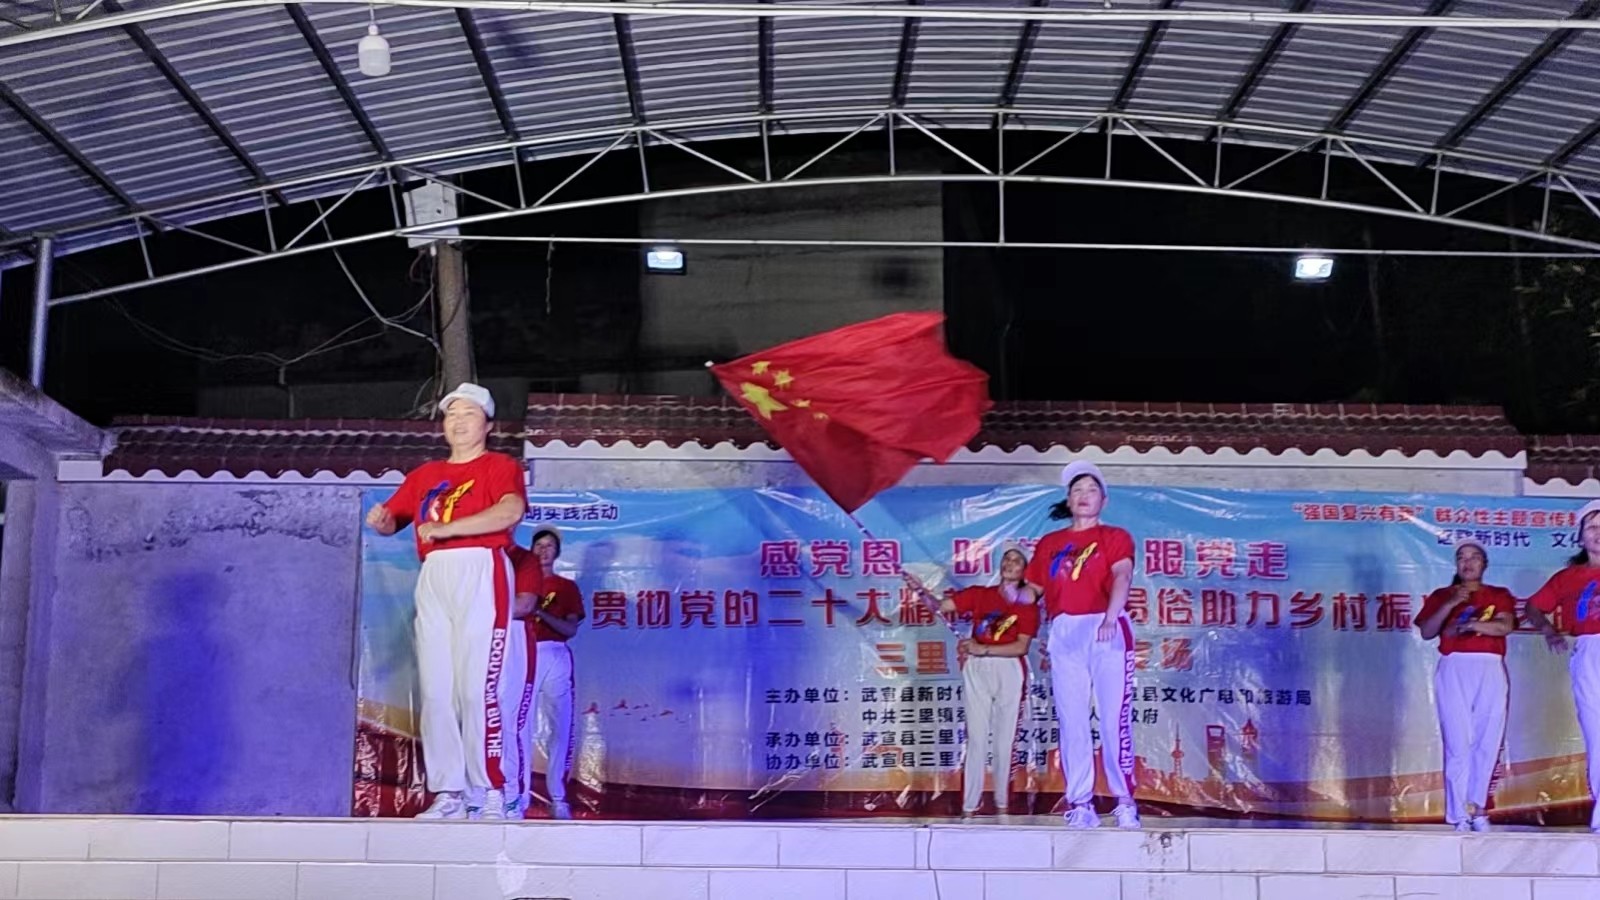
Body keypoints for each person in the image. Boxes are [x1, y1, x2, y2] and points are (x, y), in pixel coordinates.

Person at [364, 383, 527, 820]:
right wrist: (381, 521)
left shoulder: (499, 466)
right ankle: (449, 792)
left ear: (487, 425)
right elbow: (394, 520)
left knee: (477, 689)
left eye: (468, 414)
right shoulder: (425, 474)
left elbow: (510, 512)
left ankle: (489, 790)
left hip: (480, 567)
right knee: (437, 690)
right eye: (451, 414)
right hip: (434, 573)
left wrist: (448, 529)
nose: (458, 421)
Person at [1025, 460, 1140, 829]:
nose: (1084, 495)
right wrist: (1010, 593)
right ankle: (1080, 803)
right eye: (1077, 490)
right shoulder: (1050, 544)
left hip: (1106, 626)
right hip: (1065, 630)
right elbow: (1032, 592)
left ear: (1104, 500)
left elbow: (1122, 575)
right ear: (1068, 500)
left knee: (1112, 719)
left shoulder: (1114, 536)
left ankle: (1124, 801)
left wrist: (1110, 617)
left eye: (1091, 490)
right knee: (1072, 719)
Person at [907, 547, 1040, 818]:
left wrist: (985, 649)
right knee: (976, 738)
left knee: (1004, 741)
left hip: (1008, 667)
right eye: (1006, 559)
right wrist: (920, 591)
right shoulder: (980, 594)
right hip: (977, 667)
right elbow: (941, 607)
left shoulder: (1028, 606)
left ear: (1025, 571)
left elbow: (1021, 647)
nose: (1010, 563)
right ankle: (969, 807)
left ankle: (1002, 805)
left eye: (1016, 560)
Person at [1414, 541, 1515, 832]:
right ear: (1456, 565)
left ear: (1484, 564)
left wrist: (1468, 626)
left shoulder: (1499, 595)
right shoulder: (1442, 595)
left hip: (1489, 666)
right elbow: (1428, 631)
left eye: (1474, 557)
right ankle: (1458, 814)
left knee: (1488, 738)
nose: (1468, 562)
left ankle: (1479, 810)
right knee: (1457, 741)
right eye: (1462, 558)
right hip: (1454, 666)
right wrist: (1450, 604)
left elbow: (1504, 626)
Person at [1523, 499, 1600, 834]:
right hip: (1589, 650)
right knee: (1597, 731)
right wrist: (1548, 630)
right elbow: (1533, 607)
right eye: (1592, 528)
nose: (1599, 533)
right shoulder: (1568, 577)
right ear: (1580, 537)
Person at [509, 525, 585, 820]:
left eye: (549, 546)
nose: (543, 550)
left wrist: (539, 611)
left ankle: (558, 798)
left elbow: (570, 628)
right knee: (519, 725)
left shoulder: (566, 587)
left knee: (560, 725)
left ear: (557, 552)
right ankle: (517, 796)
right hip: (523, 652)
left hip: (554, 653)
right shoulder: (519, 582)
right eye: (538, 545)